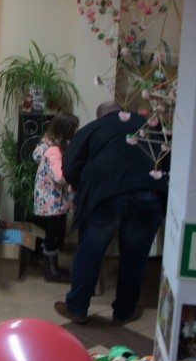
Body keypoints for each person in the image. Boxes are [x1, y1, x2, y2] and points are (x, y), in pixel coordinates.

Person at [54, 101, 169, 326]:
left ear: (100, 116)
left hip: (103, 197)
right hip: (147, 195)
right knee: (135, 257)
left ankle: (77, 308)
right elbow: (167, 160)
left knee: (89, 253)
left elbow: (69, 168)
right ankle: (125, 311)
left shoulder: (91, 129)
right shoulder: (149, 126)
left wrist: (83, 186)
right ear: (122, 112)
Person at [32, 112, 80, 283]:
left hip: (47, 200)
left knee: (53, 233)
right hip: (52, 202)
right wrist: (75, 174)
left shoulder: (46, 142)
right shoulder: (54, 150)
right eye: (73, 129)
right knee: (54, 235)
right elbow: (59, 177)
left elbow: (36, 156)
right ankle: (51, 271)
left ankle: (51, 267)